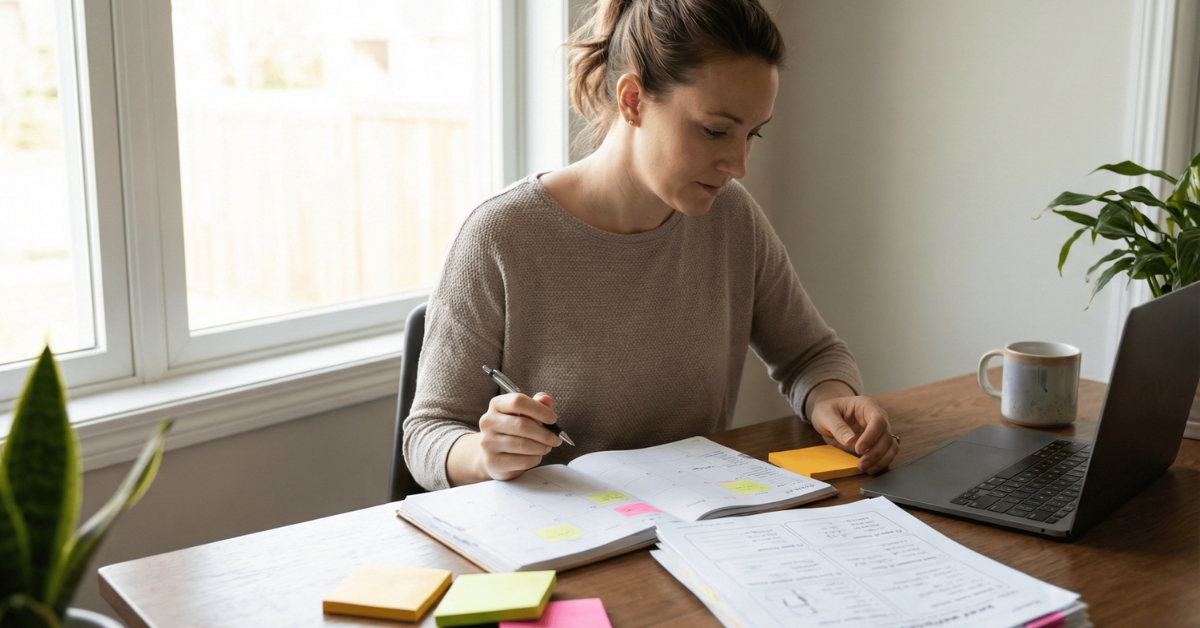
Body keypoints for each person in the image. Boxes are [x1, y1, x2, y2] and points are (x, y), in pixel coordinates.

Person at [403, 0, 898, 491]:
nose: (738, 164)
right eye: (716, 131)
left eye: (752, 134)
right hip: (563, 542)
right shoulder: (500, 236)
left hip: (696, 530)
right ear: (633, 100)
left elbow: (810, 354)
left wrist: (831, 398)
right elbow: (428, 434)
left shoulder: (732, 218)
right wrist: (484, 455)